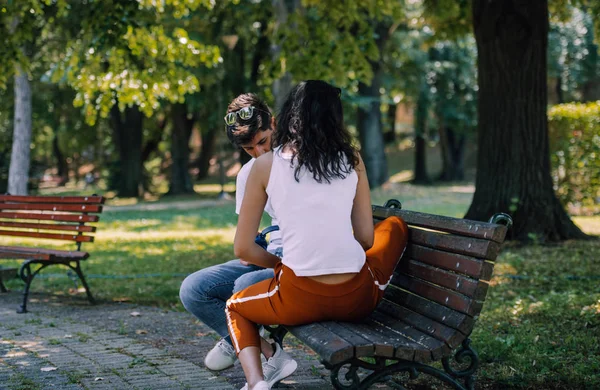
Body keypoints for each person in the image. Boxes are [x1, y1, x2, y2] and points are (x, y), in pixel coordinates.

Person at [225, 80, 409, 390]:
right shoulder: (352, 158)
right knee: (394, 226)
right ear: (335, 118)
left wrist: (279, 265)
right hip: (357, 298)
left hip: (298, 296)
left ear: (284, 117)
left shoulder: (264, 166)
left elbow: (243, 248)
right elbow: (366, 239)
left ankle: (256, 382)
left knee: (234, 307)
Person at [179, 93, 295, 380]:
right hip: (270, 256)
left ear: (273, 123)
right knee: (194, 288)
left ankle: (239, 339)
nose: (258, 153)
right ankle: (265, 349)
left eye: (263, 142)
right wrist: (257, 250)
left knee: (244, 286)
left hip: (297, 261)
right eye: (249, 148)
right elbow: (250, 236)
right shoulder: (248, 174)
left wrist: (275, 263)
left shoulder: (300, 163)